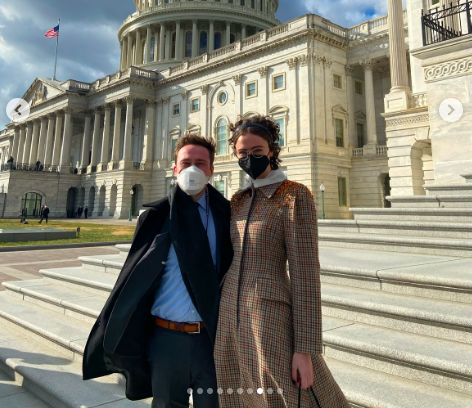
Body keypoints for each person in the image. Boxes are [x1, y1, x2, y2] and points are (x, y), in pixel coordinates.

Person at [83, 134, 233, 407]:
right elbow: (133, 276)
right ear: (174, 168)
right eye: (186, 163)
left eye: (201, 163)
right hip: (166, 340)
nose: (193, 169)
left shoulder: (228, 216)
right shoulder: (154, 217)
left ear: (212, 169)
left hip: (212, 339)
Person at [214, 115, 350, 408]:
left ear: (272, 150)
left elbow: (306, 275)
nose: (250, 158)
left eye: (257, 151)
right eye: (243, 153)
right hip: (229, 316)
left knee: (284, 397)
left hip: (270, 315)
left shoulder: (294, 196)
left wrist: (306, 349)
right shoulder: (238, 200)